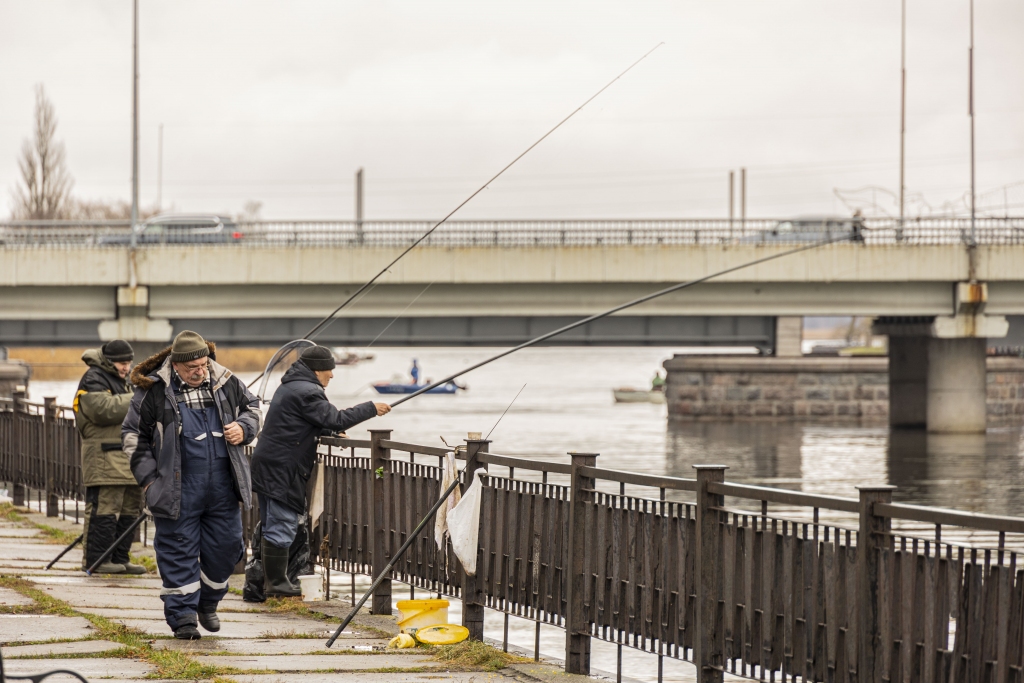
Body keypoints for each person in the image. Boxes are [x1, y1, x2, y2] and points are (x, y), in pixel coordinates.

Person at [123, 330, 261, 640]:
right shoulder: (153, 392)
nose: (199, 372)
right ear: (175, 365)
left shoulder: (226, 383)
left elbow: (254, 408)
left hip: (223, 489)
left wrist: (244, 428)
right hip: (175, 490)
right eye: (192, 368)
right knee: (178, 551)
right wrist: (148, 482)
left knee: (228, 549)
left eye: (203, 364)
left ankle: (207, 603)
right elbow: (132, 437)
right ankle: (183, 617)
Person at [251, 345, 390, 596]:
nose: (332, 375)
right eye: (329, 370)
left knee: (274, 521)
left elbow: (303, 423)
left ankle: (272, 582)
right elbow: (335, 417)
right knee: (281, 522)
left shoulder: (292, 386)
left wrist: (329, 432)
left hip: (270, 464)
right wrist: (371, 408)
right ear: (317, 370)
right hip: (283, 468)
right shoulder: (307, 391)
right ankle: (277, 584)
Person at [73, 340, 145, 575]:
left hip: (125, 454)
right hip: (104, 455)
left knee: (129, 509)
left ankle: (120, 558)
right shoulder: (94, 377)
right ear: (109, 361)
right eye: (122, 363)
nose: (127, 367)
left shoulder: (119, 380)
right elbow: (102, 409)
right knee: (103, 508)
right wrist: (139, 397)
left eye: (129, 362)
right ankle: (97, 560)